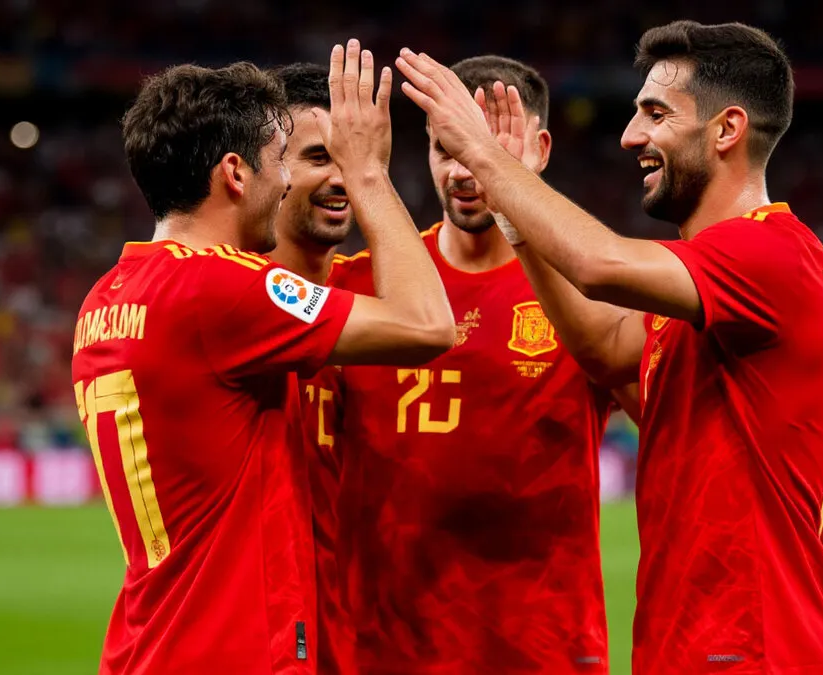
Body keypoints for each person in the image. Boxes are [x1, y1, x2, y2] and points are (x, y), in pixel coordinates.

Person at [396, 19, 823, 674]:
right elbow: (606, 348)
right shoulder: (709, 285)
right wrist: (510, 213)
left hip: (749, 643)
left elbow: (596, 263)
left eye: (655, 113)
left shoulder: (769, 252)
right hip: (695, 637)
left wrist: (484, 157)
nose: (629, 136)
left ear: (726, 130)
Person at [71, 43, 454, 675]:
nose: (284, 185)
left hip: (151, 639)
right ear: (235, 173)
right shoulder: (217, 288)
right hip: (230, 646)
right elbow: (427, 324)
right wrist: (367, 174)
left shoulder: (107, 296)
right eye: (282, 161)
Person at [329, 56, 613, 673]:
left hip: (543, 644)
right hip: (382, 643)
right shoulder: (360, 283)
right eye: (443, 149)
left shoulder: (587, 297)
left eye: (478, 149)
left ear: (538, 146)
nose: (461, 172)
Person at [267, 61, 359, 675]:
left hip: (364, 632)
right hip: (261, 631)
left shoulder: (376, 297)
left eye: (355, 156)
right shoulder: (228, 299)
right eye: (319, 156)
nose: (344, 177)